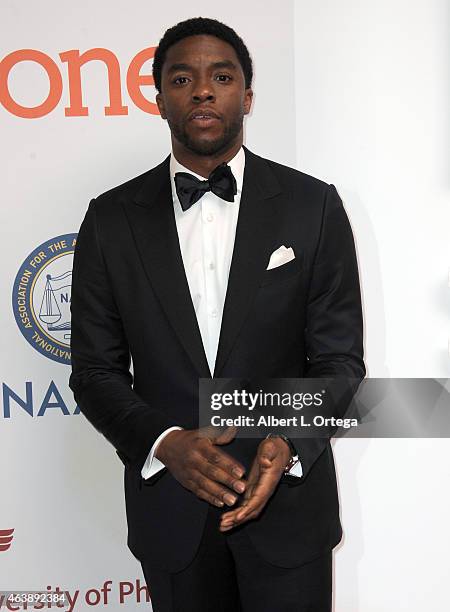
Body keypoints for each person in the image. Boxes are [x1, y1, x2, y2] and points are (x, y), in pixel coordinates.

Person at [69, 16, 365, 612]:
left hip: (289, 509)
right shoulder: (110, 219)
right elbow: (95, 372)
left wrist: (289, 439)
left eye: (221, 76)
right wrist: (164, 442)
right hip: (172, 516)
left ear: (246, 96)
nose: (202, 90)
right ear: (159, 100)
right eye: (182, 77)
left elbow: (338, 361)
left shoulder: (314, 206)